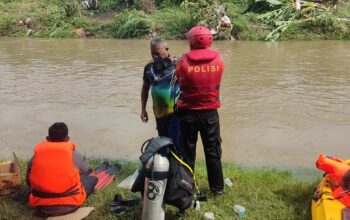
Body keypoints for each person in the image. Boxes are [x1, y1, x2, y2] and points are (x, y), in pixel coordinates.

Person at [175, 26, 224, 196]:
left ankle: (187, 190)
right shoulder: (219, 59)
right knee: (213, 152)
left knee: (188, 153)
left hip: (188, 113)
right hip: (210, 114)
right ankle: (217, 190)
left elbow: (178, 74)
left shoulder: (182, 61)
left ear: (191, 41)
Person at [26, 122, 98, 216]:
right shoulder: (74, 154)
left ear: (47, 139)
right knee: (92, 179)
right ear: (67, 139)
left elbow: (28, 182)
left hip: (41, 206)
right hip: (71, 205)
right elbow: (87, 171)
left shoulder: (36, 156)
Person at [141, 37, 180, 147]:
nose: (155, 57)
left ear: (167, 49)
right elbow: (145, 89)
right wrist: (143, 109)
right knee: (164, 145)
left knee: (176, 146)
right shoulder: (149, 68)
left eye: (157, 53)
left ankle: (178, 164)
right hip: (159, 116)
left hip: (176, 115)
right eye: (152, 53)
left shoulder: (178, 65)